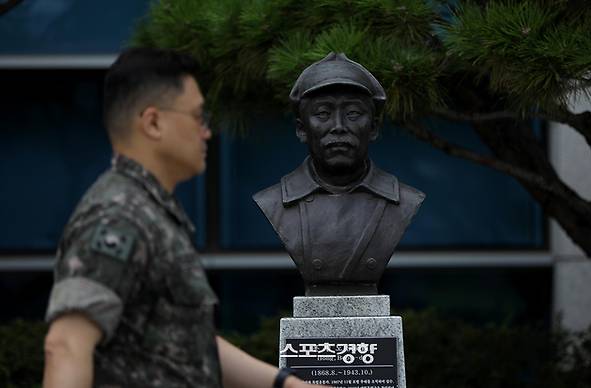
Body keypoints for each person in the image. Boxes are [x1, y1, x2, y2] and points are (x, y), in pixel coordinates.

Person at [42, 47, 325, 388]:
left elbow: (189, 342)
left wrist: (287, 385)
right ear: (153, 122)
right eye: (197, 117)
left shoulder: (149, 211)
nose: (207, 132)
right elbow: (66, 345)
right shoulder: (116, 217)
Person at [253, 53, 425, 297]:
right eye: (323, 114)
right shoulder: (273, 202)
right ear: (302, 129)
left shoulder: (404, 201)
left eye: (353, 113)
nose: (338, 126)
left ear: (373, 127)